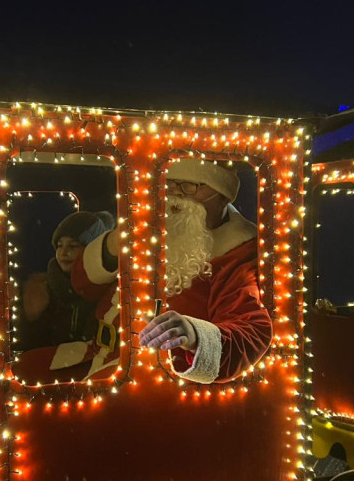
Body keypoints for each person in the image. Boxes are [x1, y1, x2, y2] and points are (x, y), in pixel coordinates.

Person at [96, 157, 272, 384]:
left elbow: (250, 329)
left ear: (222, 195)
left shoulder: (237, 251)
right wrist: (109, 249)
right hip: (101, 354)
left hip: (158, 376)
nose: (176, 194)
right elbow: (84, 287)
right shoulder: (150, 228)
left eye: (191, 185)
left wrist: (195, 335)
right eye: (171, 183)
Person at [11, 211, 117, 382]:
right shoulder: (42, 288)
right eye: (60, 245)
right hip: (54, 369)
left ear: (90, 251)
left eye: (73, 245)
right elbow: (30, 343)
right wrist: (30, 317)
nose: (64, 252)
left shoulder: (104, 290)